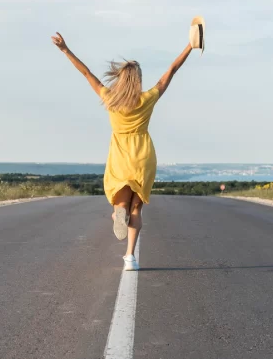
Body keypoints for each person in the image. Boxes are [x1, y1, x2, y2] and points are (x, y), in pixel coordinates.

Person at [51, 32, 193, 271]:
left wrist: (65, 50)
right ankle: (130, 257)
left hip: (119, 157)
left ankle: (119, 212)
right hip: (142, 156)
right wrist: (190, 44)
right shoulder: (147, 98)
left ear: (120, 79)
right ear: (137, 80)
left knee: (122, 203)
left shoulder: (109, 98)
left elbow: (87, 73)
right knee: (136, 208)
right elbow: (172, 69)